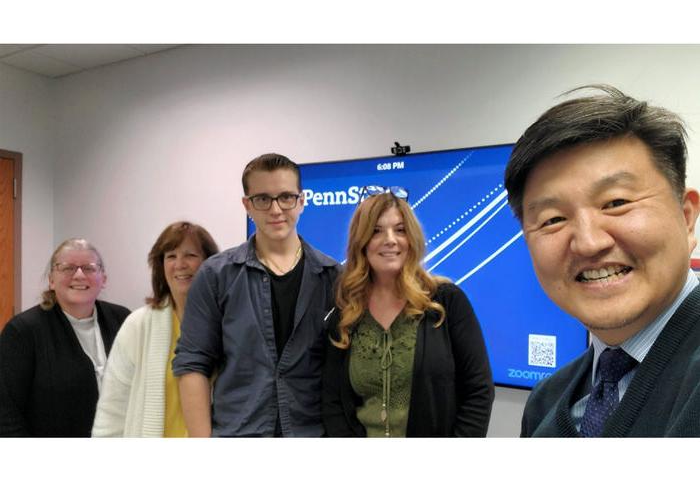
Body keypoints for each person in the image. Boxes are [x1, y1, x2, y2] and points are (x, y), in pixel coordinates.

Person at [505, 85, 700, 437]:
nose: (589, 242)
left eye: (616, 202)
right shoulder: (546, 402)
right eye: (552, 219)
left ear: (686, 217)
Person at [173, 153, 341, 437]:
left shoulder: (332, 277)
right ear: (247, 205)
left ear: (301, 201)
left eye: (286, 197)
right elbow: (192, 364)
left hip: (311, 434)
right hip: (238, 434)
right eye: (263, 199)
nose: (276, 210)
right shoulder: (216, 275)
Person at [322, 188, 495, 437]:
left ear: (411, 238)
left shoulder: (447, 301)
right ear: (361, 241)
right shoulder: (346, 310)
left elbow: (479, 392)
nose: (390, 240)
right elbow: (332, 401)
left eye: (400, 230)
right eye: (376, 231)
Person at [92, 222, 219, 437]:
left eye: (190, 255)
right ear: (160, 265)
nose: (180, 264)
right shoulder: (138, 325)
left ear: (209, 262)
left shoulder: (227, 323)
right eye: (171, 256)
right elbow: (112, 410)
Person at [0, 239, 130, 437]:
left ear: (103, 279)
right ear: (51, 280)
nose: (79, 275)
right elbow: (6, 411)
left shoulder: (123, 320)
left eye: (88, 268)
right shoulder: (23, 331)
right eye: (67, 268)